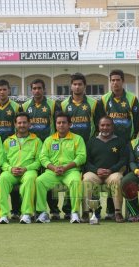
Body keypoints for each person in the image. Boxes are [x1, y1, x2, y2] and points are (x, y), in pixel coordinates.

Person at [61, 73, 105, 219]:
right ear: (71, 86)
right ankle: (68, 210)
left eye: (80, 84)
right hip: (70, 148)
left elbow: (100, 126)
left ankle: (93, 210)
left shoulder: (94, 104)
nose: (77, 87)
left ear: (84, 86)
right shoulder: (63, 104)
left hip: (90, 147)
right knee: (71, 177)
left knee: (90, 179)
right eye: (75, 84)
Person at [102, 69, 139, 219]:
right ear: (110, 82)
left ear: (122, 81)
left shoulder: (131, 99)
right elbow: (102, 122)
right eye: (112, 80)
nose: (115, 83)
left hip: (127, 144)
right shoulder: (104, 99)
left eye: (118, 80)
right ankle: (111, 211)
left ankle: (131, 211)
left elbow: (136, 121)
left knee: (127, 177)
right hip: (109, 144)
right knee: (112, 176)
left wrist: (133, 140)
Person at [35, 112, 86, 224]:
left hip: (71, 171)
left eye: (64, 122)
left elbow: (81, 157)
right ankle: (42, 212)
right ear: (55, 125)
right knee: (39, 181)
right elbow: (43, 157)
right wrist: (53, 168)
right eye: (58, 123)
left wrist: (66, 167)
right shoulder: (49, 140)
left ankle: (75, 213)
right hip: (53, 172)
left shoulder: (77, 139)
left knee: (76, 181)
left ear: (70, 124)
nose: (61, 125)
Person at [22, 78, 61, 219]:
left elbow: (57, 124)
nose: (37, 91)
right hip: (31, 147)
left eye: (39, 88)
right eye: (34, 88)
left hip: (50, 148)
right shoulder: (25, 106)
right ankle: (32, 211)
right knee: (33, 181)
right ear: (31, 90)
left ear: (44, 90)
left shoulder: (53, 104)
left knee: (49, 180)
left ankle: (54, 210)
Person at [0, 112, 42, 224]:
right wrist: (10, 168)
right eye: (19, 123)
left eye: (24, 122)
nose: (22, 125)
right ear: (15, 125)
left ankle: (26, 214)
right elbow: (2, 161)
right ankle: (3, 215)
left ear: (29, 124)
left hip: (28, 171)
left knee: (30, 179)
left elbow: (39, 161)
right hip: (11, 172)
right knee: (2, 178)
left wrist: (26, 168)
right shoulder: (8, 141)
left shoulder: (36, 141)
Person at [0, 79, 21, 219]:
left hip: (11, 148)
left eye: (4, 89)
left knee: (12, 177)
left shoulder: (16, 107)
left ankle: (16, 210)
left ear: (9, 91)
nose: (2, 92)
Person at [82, 116, 127, 223]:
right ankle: (85, 212)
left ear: (113, 127)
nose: (105, 127)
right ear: (98, 127)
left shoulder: (120, 141)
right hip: (95, 174)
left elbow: (123, 160)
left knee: (117, 179)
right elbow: (86, 161)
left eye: (108, 125)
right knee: (86, 179)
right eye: (102, 125)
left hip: (112, 174)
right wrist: (96, 170)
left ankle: (118, 213)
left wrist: (111, 170)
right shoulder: (92, 142)